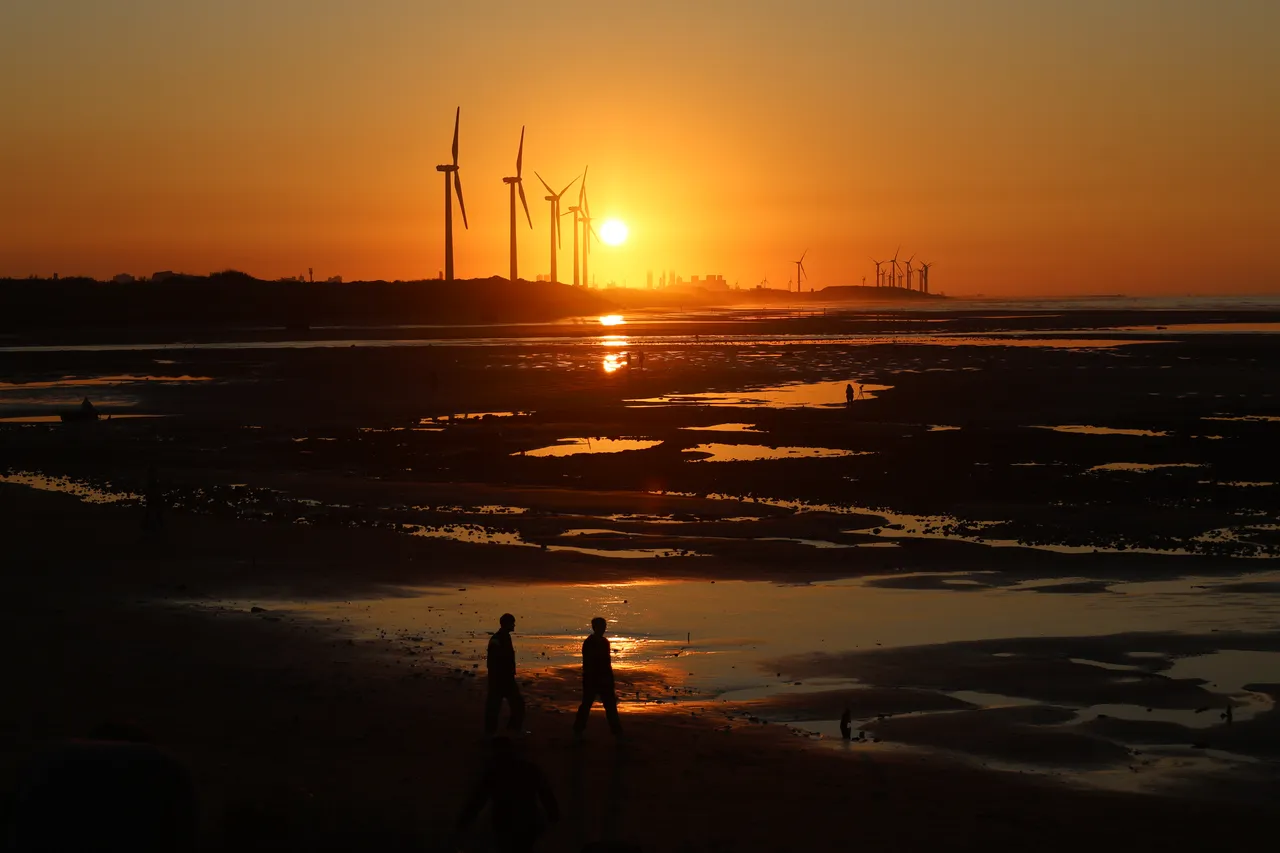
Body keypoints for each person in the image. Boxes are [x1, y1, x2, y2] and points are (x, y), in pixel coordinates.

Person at [456, 737, 559, 853]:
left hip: (504, 823)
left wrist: (464, 822)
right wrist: (553, 815)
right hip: (528, 821)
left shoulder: (493, 773)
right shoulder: (529, 768)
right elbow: (546, 794)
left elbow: (477, 800)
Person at [573, 617, 623, 739]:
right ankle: (578, 729)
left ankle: (617, 732)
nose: (603, 629)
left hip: (604, 679)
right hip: (592, 678)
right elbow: (588, 663)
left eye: (604, 626)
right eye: (601, 626)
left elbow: (607, 662)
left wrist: (610, 679)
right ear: (595, 627)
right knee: (587, 705)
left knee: (610, 706)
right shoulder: (589, 643)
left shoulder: (605, 642)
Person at [485, 613, 525, 736]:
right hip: (501, 679)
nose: (514, 625)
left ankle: (509, 729)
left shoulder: (504, 637)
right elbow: (493, 661)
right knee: (496, 707)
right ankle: (495, 732)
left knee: (512, 705)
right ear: (506, 624)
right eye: (512, 623)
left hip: (504, 678)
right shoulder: (497, 639)